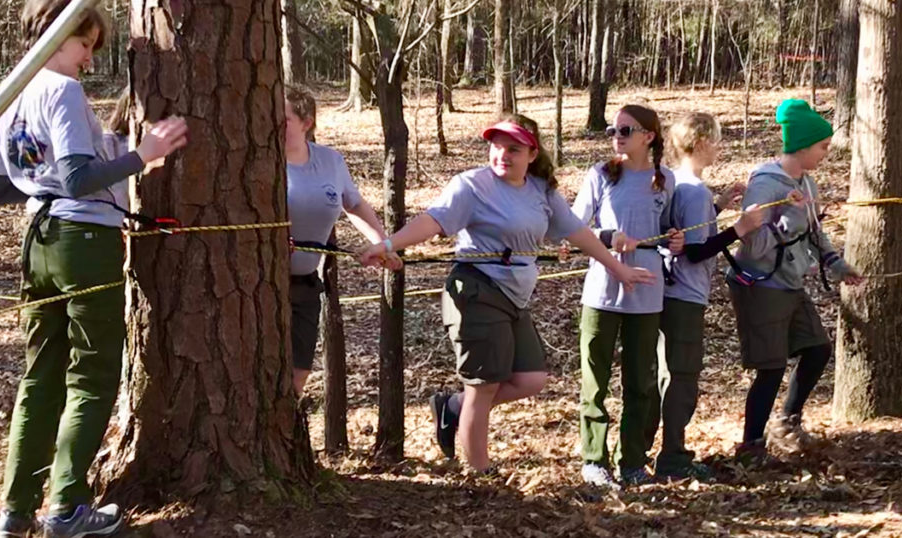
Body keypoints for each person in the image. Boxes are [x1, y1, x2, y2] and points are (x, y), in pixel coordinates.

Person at [0, 1, 187, 536]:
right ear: (55, 34)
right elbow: (74, 179)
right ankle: (68, 508)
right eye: (85, 45)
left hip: (38, 242)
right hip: (82, 241)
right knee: (92, 376)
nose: (89, 61)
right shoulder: (62, 89)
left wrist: (64, 170)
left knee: (39, 378)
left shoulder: (9, 93)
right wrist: (144, 153)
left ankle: (16, 511)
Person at [359, 114, 655, 474]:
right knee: (483, 387)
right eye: (496, 146)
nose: (502, 154)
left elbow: (578, 233)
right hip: (476, 290)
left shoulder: (540, 190)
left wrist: (618, 267)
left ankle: (453, 407)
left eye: (513, 148)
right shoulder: (471, 185)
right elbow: (433, 220)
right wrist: (388, 244)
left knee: (532, 379)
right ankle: (481, 474)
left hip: (514, 298)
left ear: (531, 154)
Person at [727, 99, 862, 464]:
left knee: (817, 349)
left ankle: (787, 422)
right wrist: (787, 222)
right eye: (822, 146)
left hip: (791, 283)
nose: (826, 153)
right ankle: (751, 446)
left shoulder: (808, 183)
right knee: (769, 367)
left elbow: (815, 233)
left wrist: (837, 265)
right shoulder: (766, 185)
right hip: (760, 284)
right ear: (802, 146)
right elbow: (752, 244)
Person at [642, 112, 770, 480]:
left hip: (665, 293)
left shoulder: (679, 184)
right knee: (681, 378)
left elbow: (689, 231)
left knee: (662, 374)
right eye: (715, 140)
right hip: (684, 295)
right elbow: (695, 251)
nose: (719, 147)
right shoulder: (694, 189)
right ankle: (673, 458)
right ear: (698, 143)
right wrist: (738, 229)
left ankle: (643, 451)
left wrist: (718, 208)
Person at [573, 104, 684, 488]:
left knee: (641, 381)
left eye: (625, 130)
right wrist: (608, 238)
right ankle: (593, 460)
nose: (616, 136)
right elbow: (574, 227)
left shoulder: (665, 180)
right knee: (595, 381)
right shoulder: (601, 175)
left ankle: (632, 461)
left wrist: (675, 240)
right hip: (602, 291)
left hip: (648, 293)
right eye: (612, 130)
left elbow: (667, 229)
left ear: (648, 137)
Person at [283, 85, 398, 395]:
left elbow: (354, 205)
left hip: (305, 282)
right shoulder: (261, 164)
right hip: (262, 286)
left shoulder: (330, 161)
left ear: (306, 122)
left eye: (284, 121)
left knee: (298, 373)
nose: (273, 127)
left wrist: (381, 243)